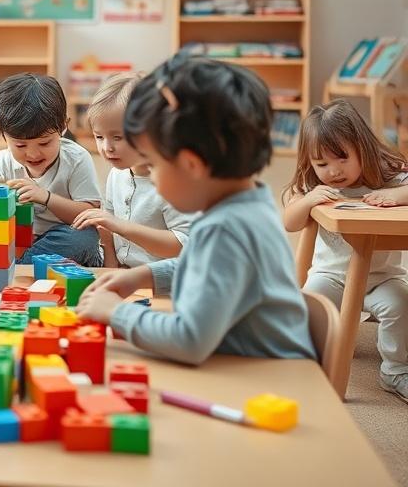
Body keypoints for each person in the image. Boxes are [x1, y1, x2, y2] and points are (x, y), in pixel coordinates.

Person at [77, 55, 315, 364]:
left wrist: (116, 313)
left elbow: (189, 340)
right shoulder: (243, 204)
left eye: (153, 164)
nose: (153, 177)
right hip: (247, 365)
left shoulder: (226, 228)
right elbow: (202, 265)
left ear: (191, 165)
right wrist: (144, 275)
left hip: (266, 380)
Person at [283, 100, 408, 402]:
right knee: (311, 303)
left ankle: (395, 370)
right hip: (331, 276)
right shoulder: (312, 186)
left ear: (363, 148)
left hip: (382, 277)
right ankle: (317, 357)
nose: (334, 171)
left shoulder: (388, 176)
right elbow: (289, 222)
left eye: (341, 158)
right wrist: (309, 200)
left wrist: (396, 194)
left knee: (401, 305)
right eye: (322, 164)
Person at [74, 72, 195, 267]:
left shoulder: (174, 181)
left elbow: (184, 244)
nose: (106, 148)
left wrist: (121, 227)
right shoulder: (117, 173)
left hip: (165, 282)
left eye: (118, 137)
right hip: (127, 276)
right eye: (99, 137)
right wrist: (111, 272)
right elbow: (109, 234)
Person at [0, 73, 102, 265]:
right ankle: (23, 264)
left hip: (62, 239)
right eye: (20, 145)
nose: (33, 154)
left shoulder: (77, 159)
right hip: (19, 241)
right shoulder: (2, 162)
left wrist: (45, 197)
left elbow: (89, 213)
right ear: (4, 135)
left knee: (85, 236)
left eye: (44, 143)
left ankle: (20, 268)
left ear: (63, 127)